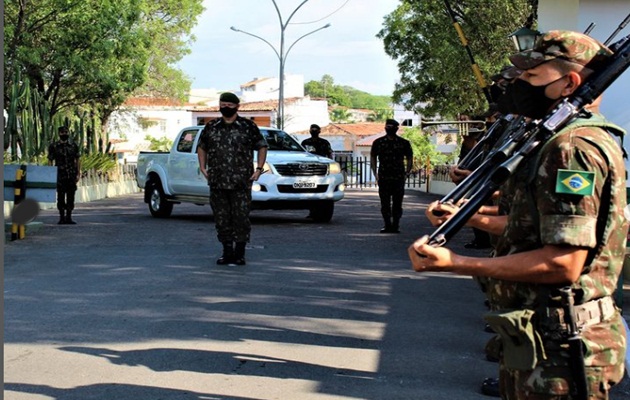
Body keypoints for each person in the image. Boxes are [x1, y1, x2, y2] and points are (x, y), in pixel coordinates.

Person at [409, 31, 627, 399]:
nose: (519, 86)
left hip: (562, 346)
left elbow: (564, 263)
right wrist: (472, 218)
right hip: (541, 337)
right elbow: (539, 229)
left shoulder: (571, 148)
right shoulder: (561, 140)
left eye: (532, 77)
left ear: (568, 84)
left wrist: (458, 263)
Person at [197, 92, 268, 266]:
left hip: (241, 182)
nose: (225, 107)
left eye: (229, 104)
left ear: (237, 106)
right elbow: (202, 147)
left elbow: (262, 146)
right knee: (221, 218)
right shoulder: (211, 126)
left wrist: (259, 169)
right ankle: (227, 251)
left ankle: (240, 253)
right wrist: (202, 167)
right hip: (218, 181)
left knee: (241, 217)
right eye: (223, 104)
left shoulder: (248, 126)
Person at [370, 119, 413, 233]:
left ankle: (396, 225)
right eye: (387, 126)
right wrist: (375, 172)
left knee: (397, 202)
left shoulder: (404, 143)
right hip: (384, 177)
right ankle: (387, 224)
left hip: (398, 177)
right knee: (385, 203)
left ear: (396, 129)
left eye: (392, 127)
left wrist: (407, 172)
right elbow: (373, 157)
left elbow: (409, 158)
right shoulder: (378, 142)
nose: (389, 129)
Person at [48, 126, 81, 224]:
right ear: (59, 133)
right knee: (61, 197)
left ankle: (69, 217)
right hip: (59, 175)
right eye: (62, 132)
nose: (64, 134)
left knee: (71, 196)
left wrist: (78, 172)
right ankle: (62, 217)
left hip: (71, 175)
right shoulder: (54, 146)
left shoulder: (73, 145)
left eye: (66, 132)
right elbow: (50, 160)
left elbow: (78, 159)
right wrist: (51, 173)